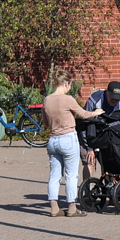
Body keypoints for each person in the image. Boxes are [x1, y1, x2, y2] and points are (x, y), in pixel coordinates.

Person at [40, 76, 102, 218]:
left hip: (53, 140)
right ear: (66, 83)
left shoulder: (47, 100)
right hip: (68, 139)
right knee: (71, 175)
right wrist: (96, 113)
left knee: (54, 175)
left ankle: (54, 207)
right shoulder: (67, 99)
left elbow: (45, 122)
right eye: (70, 85)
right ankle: (72, 207)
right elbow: (84, 114)